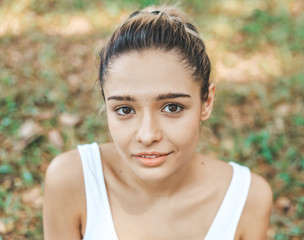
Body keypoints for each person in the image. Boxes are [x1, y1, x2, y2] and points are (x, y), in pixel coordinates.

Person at [43, 5, 273, 240]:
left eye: (172, 108)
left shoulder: (246, 199)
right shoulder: (73, 181)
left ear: (207, 102)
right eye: (124, 109)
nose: (147, 135)